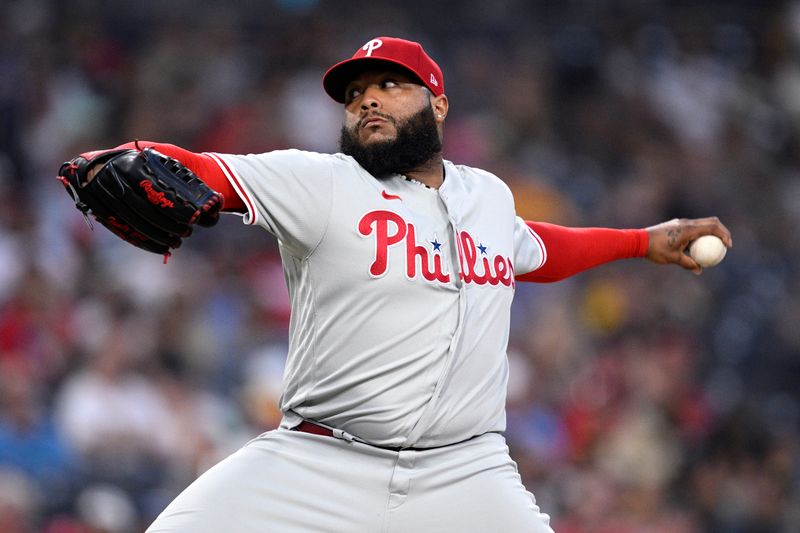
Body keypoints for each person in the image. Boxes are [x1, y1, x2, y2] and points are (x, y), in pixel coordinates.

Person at [73, 37, 731, 533]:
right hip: (318, 462)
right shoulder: (323, 182)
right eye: (357, 94)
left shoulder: (489, 197)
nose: (368, 100)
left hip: (466, 470)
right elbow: (208, 171)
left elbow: (538, 248)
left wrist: (642, 242)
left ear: (438, 104)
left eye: (390, 85)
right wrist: (130, 155)